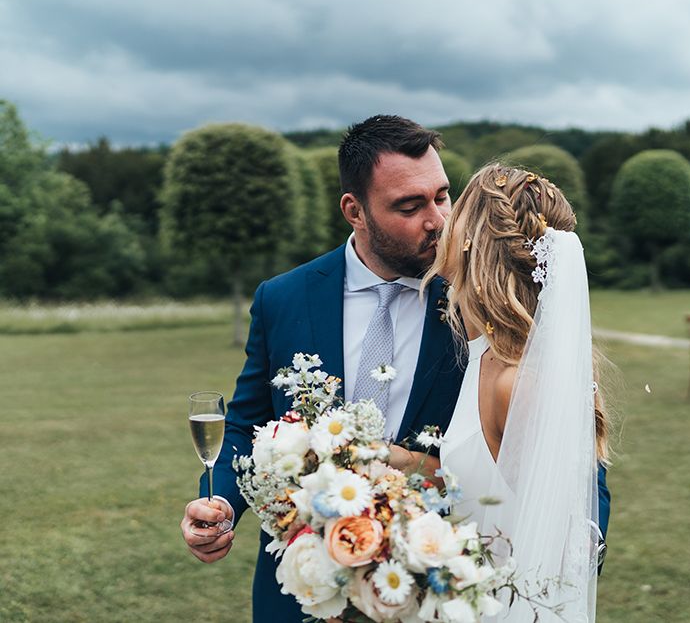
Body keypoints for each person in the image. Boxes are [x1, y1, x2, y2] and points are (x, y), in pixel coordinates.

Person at [180, 115, 468, 622]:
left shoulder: (476, 298)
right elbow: (250, 424)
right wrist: (221, 503)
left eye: (442, 196)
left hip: (432, 586)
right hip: (303, 585)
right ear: (354, 210)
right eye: (409, 205)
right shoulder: (282, 298)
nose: (438, 221)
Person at [418, 163, 611, 621]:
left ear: (475, 245)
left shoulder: (518, 382)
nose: (444, 223)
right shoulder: (487, 355)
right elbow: (494, 487)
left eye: (457, 209)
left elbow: (544, 543)